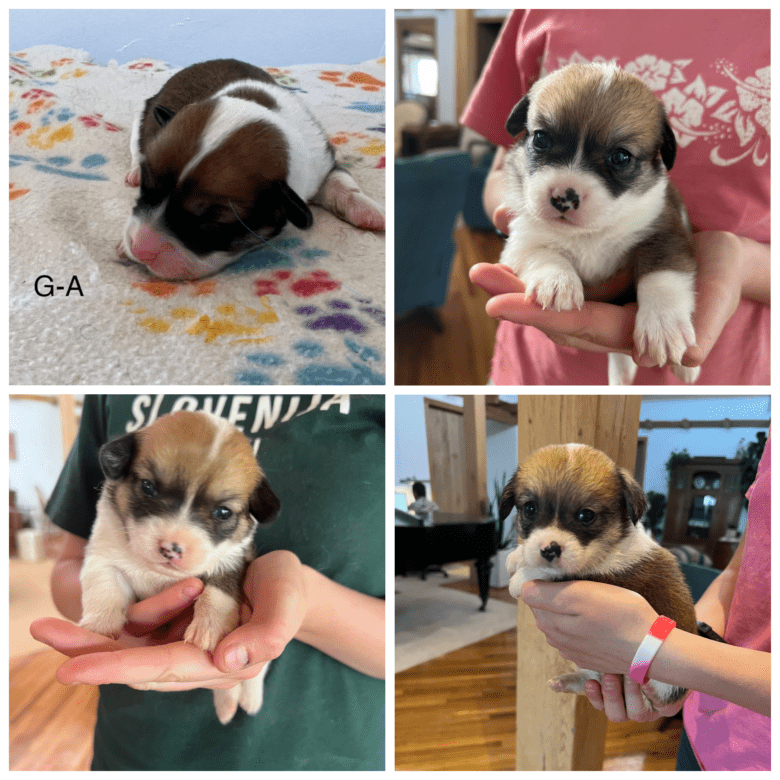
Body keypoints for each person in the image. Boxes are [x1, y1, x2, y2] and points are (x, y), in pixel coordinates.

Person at [31, 394, 385, 771]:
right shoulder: (109, 399)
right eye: (149, 490)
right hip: (139, 750)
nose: (173, 541)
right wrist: (110, 619)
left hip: (322, 754)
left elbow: (232, 568)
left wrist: (298, 607)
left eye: (220, 513)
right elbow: (79, 561)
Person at [461, 9, 770, 385]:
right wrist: (546, 265)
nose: (566, 190)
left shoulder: (650, 207)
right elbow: (508, 204)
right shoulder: (536, 11)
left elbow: (665, 244)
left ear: (660, 157)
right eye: (542, 142)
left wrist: (740, 267)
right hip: (536, 365)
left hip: (734, 365)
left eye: (619, 158)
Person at [519, 431, 770, 770]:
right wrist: (693, 642)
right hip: (704, 733)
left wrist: (664, 656)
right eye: (531, 509)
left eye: (586, 516)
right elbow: (740, 572)